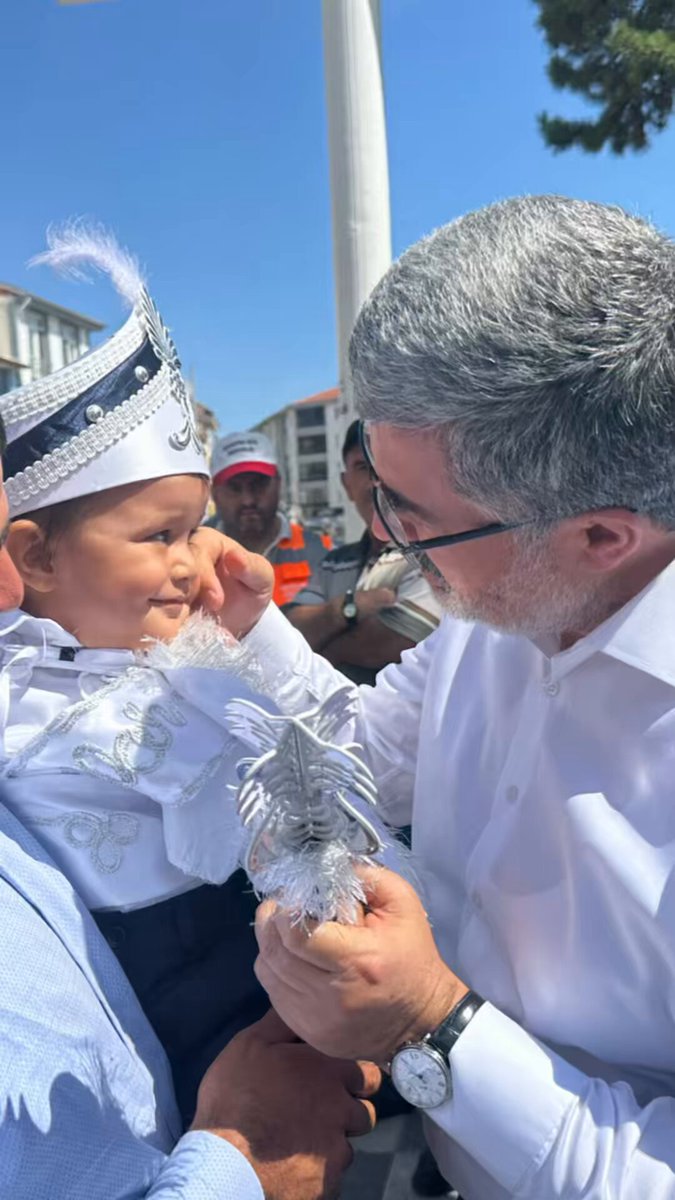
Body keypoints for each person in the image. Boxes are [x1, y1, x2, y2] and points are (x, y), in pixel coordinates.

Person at [220, 196, 675, 1199]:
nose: (383, 540)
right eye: (373, 491)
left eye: (411, 517)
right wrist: (243, 625)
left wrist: (428, 1021)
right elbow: (359, 757)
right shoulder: (495, 608)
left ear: (603, 538)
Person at [0, 423, 381, 1198]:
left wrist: (249, 627)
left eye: (192, 529)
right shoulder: (15, 689)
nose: (188, 562)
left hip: (240, 929)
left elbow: (341, 742)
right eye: (159, 535)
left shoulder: (192, 657)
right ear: (36, 557)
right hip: (144, 973)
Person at [289, 419, 442, 684]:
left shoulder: (436, 550)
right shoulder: (334, 561)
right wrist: (349, 607)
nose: (375, 481)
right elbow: (292, 631)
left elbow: (394, 639)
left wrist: (322, 652)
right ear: (345, 484)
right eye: (363, 467)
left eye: (384, 464)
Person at [209, 430, 331, 609]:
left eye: (258, 485)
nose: (248, 500)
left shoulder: (324, 552)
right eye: (234, 488)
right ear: (214, 493)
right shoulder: (195, 557)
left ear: (279, 483)